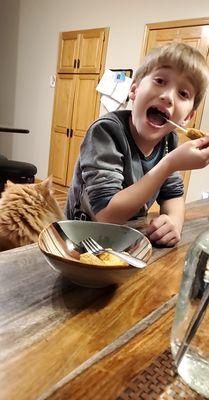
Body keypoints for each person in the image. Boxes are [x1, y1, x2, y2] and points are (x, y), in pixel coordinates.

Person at [65, 42, 209, 247]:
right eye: (160, 81)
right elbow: (107, 214)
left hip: (128, 239)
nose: (168, 96)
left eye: (183, 93)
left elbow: (173, 195)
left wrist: (174, 223)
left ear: (188, 117)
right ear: (134, 89)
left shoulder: (169, 141)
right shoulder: (106, 132)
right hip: (82, 240)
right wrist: (169, 164)